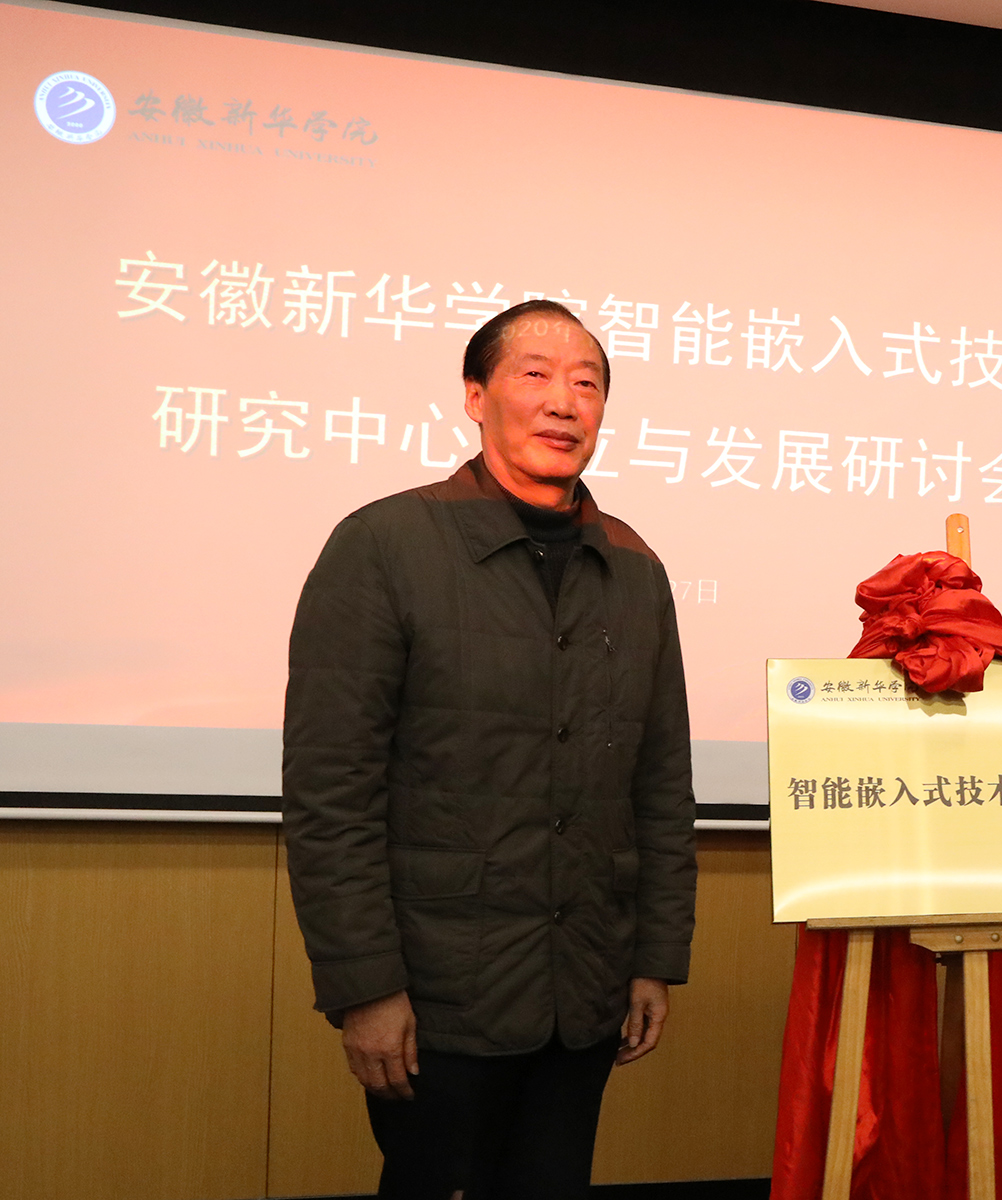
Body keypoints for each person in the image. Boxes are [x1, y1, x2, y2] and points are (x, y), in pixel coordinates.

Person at [283, 299, 697, 1200]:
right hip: (437, 996)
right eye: (535, 375)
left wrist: (653, 960)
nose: (564, 401)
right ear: (475, 396)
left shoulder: (635, 568)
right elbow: (331, 792)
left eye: (587, 383)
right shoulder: (385, 545)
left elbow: (662, 784)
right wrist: (364, 987)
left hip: (583, 989)